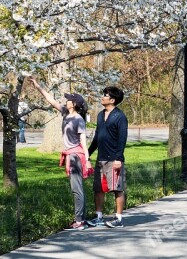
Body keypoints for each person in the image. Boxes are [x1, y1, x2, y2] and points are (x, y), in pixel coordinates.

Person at [31, 78, 93, 230]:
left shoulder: (79, 120)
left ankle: (79, 221)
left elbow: (83, 142)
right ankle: (81, 219)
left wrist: (88, 159)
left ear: (75, 104)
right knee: (76, 188)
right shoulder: (65, 113)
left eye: (69, 100)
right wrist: (38, 85)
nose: (67, 101)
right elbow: (51, 100)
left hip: (76, 156)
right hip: (70, 155)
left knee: (76, 189)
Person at [86, 86, 128, 229]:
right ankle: (98, 217)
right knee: (98, 189)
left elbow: (122, 139)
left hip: (114, 159)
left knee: (118, 189)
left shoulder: (120, 117)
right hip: (101, 158)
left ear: (112, 100)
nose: (102, 97)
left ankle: (118, 219)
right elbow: (97, 137)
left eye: (105, 95)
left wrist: (118, 158)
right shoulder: (100, 115)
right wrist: (88, 154)